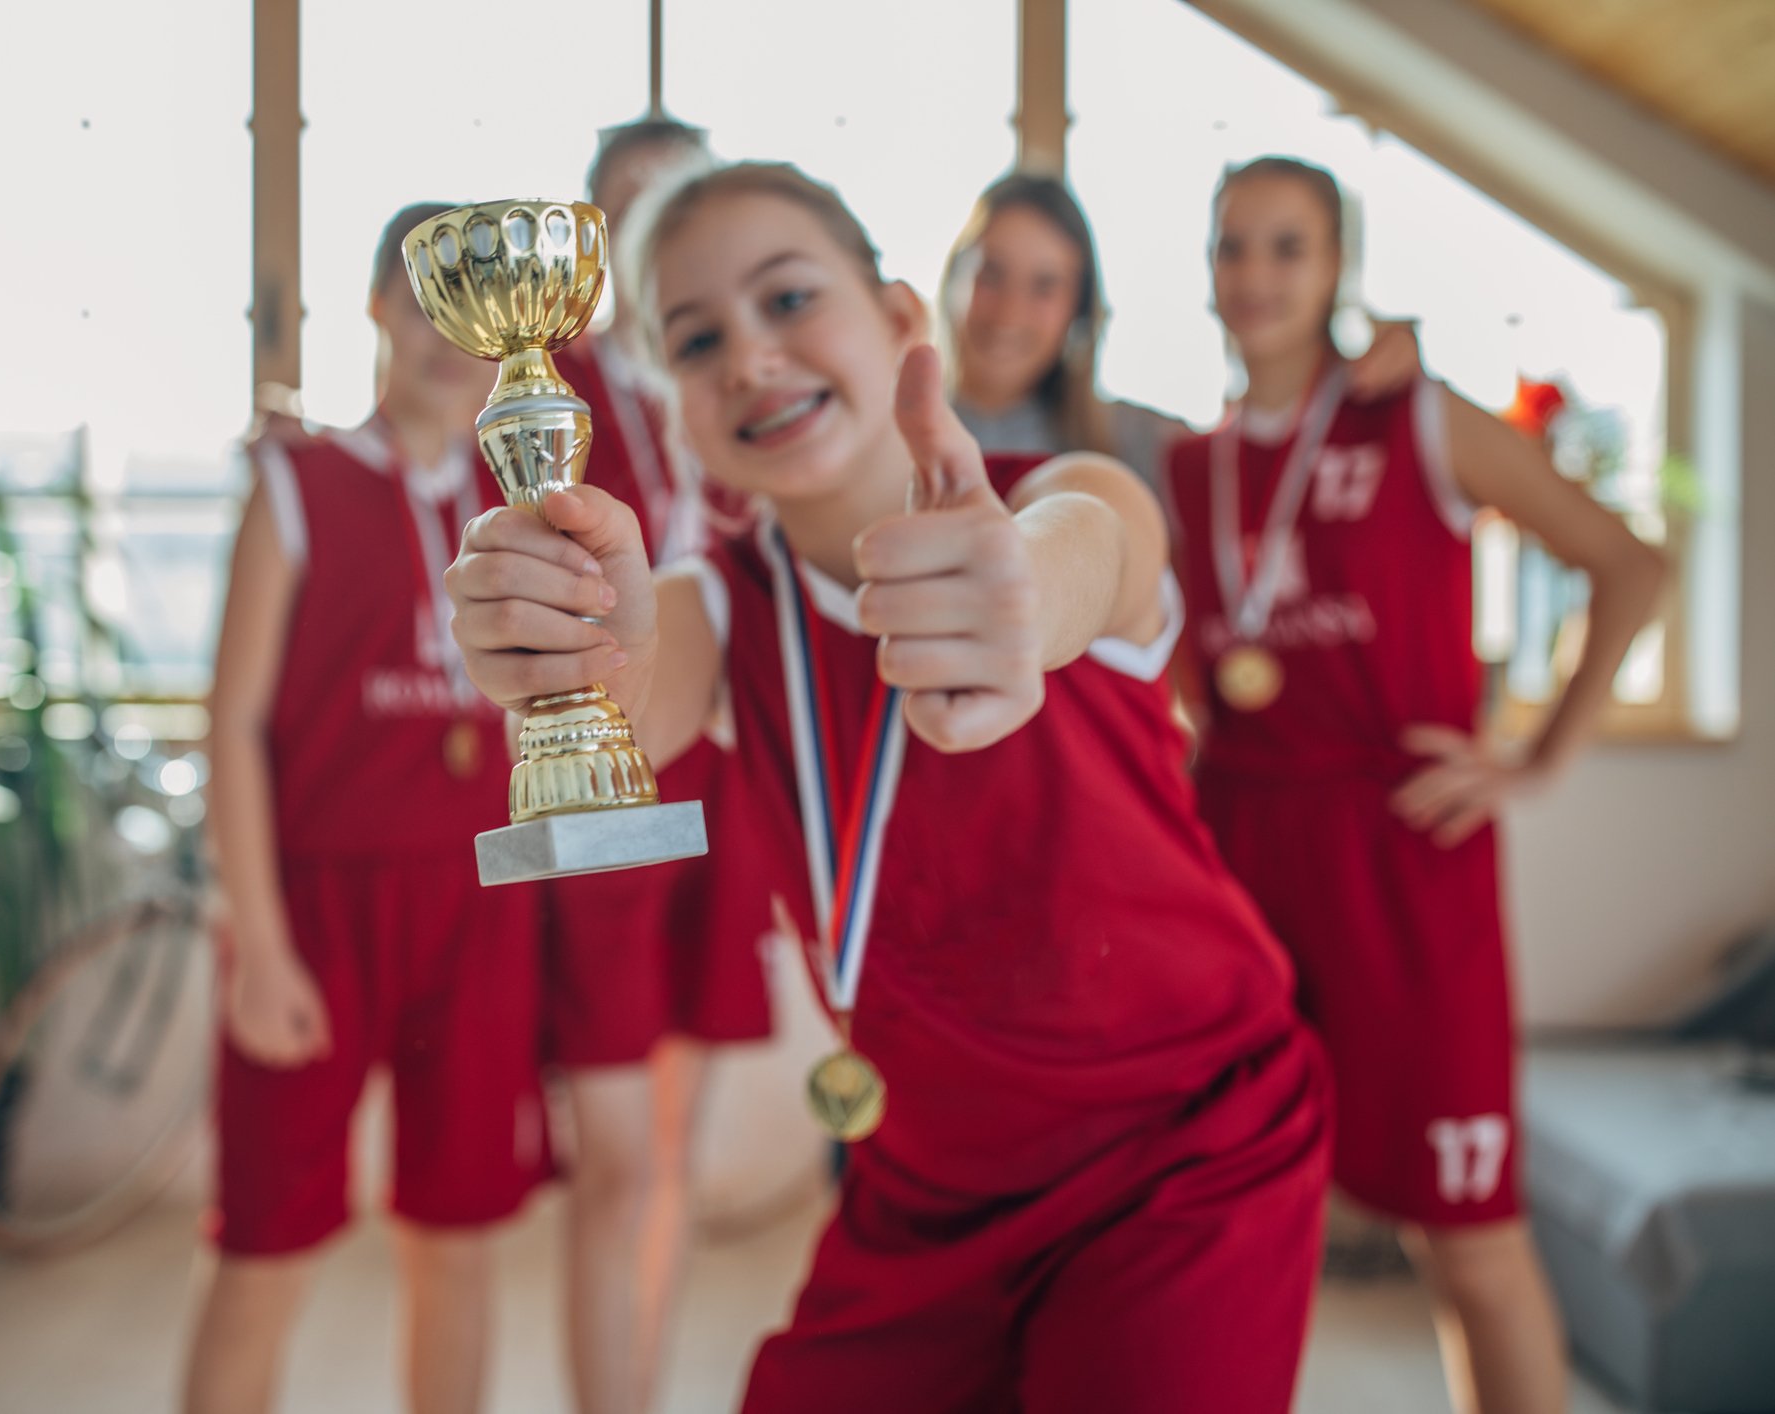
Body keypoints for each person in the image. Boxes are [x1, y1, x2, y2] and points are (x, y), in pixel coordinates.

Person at [444, 160, 1332, 1412]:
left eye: (790, 298)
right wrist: (563, 641)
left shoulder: (1051, 499)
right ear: (671, 405)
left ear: (905, 320)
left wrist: (1023, 596)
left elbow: (1094, 547)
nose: (750, 355)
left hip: (1178, 1152)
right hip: (924, 1183)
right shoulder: (725, 602)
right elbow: (643, 659)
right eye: (696, 339)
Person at [1163, 156, 1666, 1414]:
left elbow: (1630, 568)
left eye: (1289, 246)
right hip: (1240, 854)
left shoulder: (1419, 416)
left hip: (1401, 852)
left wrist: (1538, 756)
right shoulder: (1185, 465)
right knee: (1211, 1230)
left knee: (1469, 1234)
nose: (1257, 275)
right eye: (1234, 246)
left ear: (1339, 267)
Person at [182, 202, 549, 1414]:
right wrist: (259, 943)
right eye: (422, 295)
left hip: (475, 901)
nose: (447, 332)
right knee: (265, 1248)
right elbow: (232, 722)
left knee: (460, 1241)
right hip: (320, 905)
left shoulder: (535, 506)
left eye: (473, 307)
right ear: (379, 307)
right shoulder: (296, 483)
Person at [543, 114, 777, 1414]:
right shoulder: (546, 383)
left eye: (676, 201)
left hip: (723, 787)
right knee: (617, 1151)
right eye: (627, 210)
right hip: (605, 791)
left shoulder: (744, 377)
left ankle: (639, 1385)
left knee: (674, 1143)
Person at [940, 169, 1422, 482]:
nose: (1009, 311)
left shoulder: (1136, 440)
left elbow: (1269, 443)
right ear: (954, 277)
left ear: (1079, 310)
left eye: (1045, 285)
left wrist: (1386, 357)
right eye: (991, 273)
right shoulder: (884, 428)